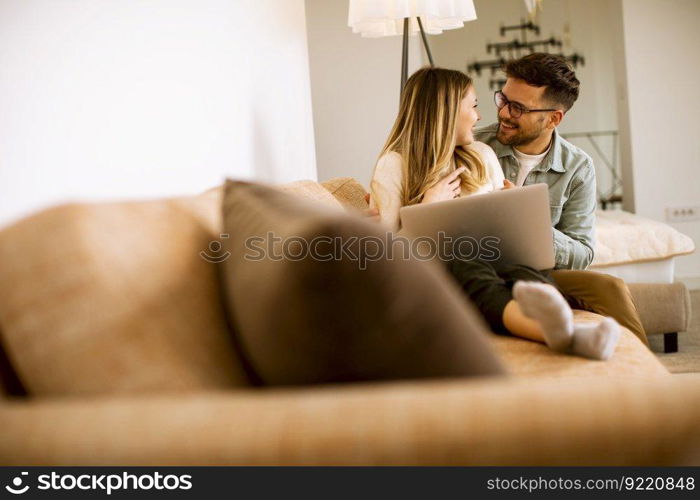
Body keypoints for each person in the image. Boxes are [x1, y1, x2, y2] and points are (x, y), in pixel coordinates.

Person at [369, 66, 620, 360]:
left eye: (516, 107)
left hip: (499, 261)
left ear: (554, 117)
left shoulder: (481, 155)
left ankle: (562, 325)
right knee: (466, 264)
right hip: (443, 273)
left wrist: (520, 218)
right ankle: (563, 335)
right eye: (473, 106)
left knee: (524, 271)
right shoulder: (395, 165)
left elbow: (505, 230)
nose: (482, 116)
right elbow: (384, 260)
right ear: (446, 113)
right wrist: (425, 209)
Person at [474, 53, 648, 346]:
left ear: (554, 118)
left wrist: (529, 221)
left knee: (610, 287)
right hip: (480, 268)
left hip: (539, 275)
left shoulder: (577, 167)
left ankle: (645, 380)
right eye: (503, 100)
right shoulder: (474, 145)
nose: (503, 114)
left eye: (517, 108)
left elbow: (582, 254)